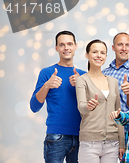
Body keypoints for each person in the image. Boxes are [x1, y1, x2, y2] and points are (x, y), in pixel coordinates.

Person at [30, 30, 86, 163]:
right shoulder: (47, 73)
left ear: (76, 46)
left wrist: (82, 84)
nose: (66, 47)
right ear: (56, 48)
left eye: (69, 44)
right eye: (62, 45)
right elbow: (34, 106)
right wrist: (47, 85)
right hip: (56, 136)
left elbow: (93, 107)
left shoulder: (84, 75)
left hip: (82, 136)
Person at [75, 39, 125, 162]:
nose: (99, 55)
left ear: (106, 56)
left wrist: (122, 143)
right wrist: (88, 106)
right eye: (95, 52)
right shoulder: (82, 80)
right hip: (89, 143)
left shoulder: (113, 81)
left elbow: (119, 113)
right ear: (87, 55)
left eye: (102, 53)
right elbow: (81, 107)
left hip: (112, 144)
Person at [102, 32, 129, 159]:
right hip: (106, 132)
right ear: (113, 47)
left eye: (127, 45)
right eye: (120, 44)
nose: (124, 48)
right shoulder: (105, 72)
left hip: (128, 133)